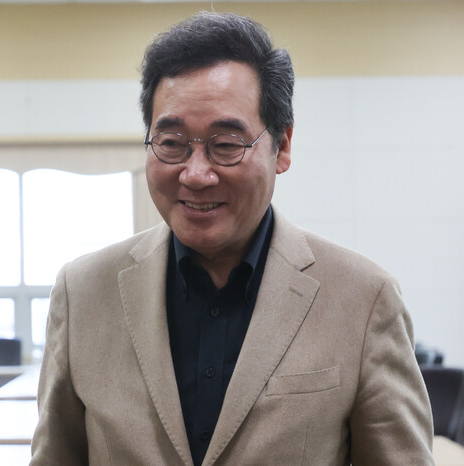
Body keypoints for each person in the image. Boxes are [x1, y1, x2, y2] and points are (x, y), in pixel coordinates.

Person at [30, 12, 433, 466]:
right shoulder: (82, 293)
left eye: (225, 145)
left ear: (282, 146)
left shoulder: (362, 299)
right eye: (171, 143)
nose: (196, 174)